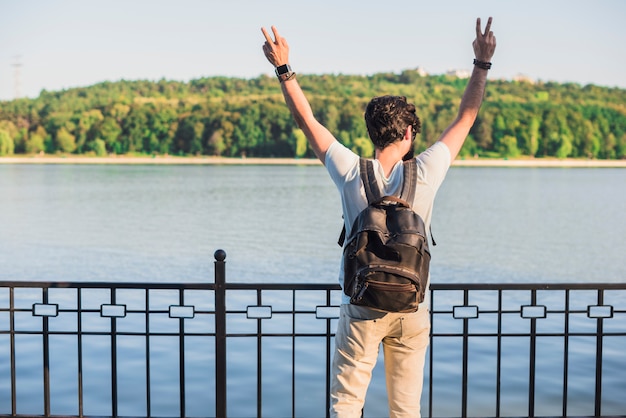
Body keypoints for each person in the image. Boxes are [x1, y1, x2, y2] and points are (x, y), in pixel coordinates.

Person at [262, 17, 496, 418]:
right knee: (405, 410)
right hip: (411, 307)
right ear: (408, 134)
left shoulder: (350, 170)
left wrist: (284, 69)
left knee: (347, 405)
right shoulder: (425, 170)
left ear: (373, 133)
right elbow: (466, 119)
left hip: (361, 307)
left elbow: (307, 121)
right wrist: (481, 63)